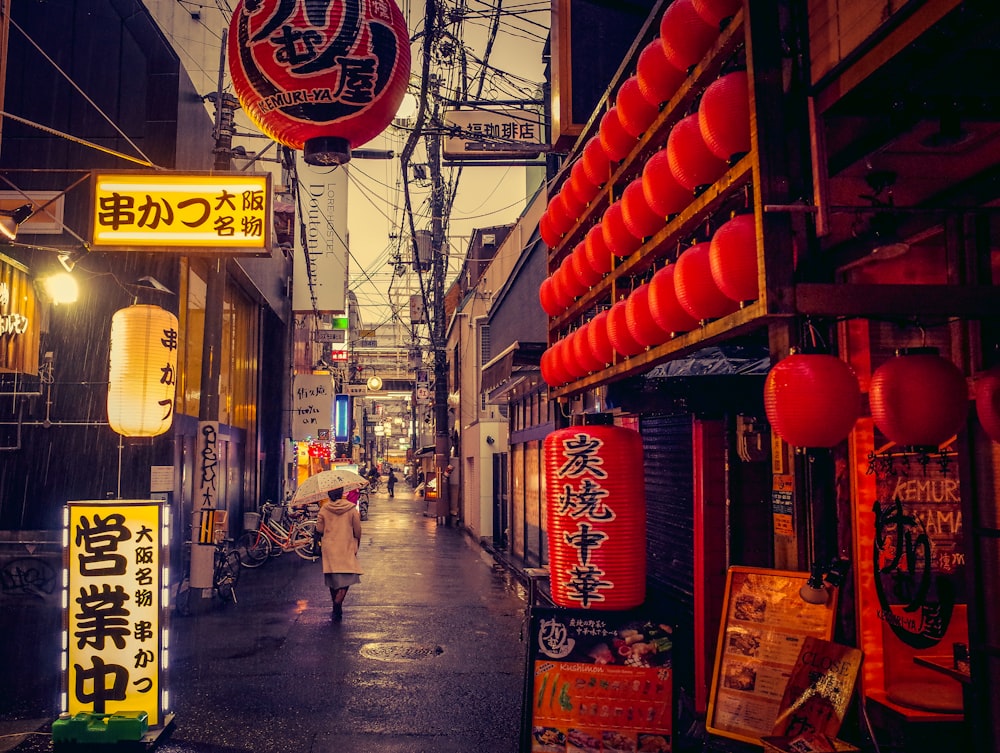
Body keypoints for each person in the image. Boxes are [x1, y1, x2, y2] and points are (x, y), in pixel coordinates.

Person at [314, 486, 362, 621]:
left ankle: (336, 605)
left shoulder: (324, 509)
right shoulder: (351, 508)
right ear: (342, 494)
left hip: (330, 547)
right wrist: (357, 540)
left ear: (329, 495)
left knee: (333, 579)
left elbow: (319, 528)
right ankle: (338, 602)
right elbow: (357, 529)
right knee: (347, 576)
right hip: (346, 545)